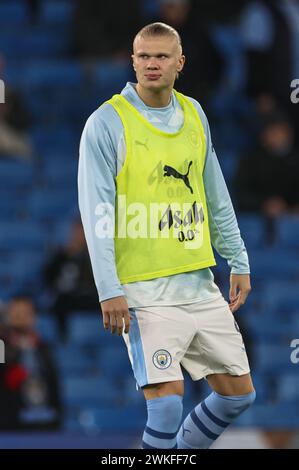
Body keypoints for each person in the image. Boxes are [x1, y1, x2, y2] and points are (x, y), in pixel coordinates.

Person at [78, 22, 256, 449]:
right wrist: (108, 288)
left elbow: (215, 194)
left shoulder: (194, 113)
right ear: (132, 61)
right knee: (166, 405)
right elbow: (95, 212)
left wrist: (239, 258)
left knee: (238, 396)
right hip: (143, 288)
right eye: (143, 56)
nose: (151, 64)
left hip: (197, 279)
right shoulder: (107, 123)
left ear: (180, 63)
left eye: (161, 56)